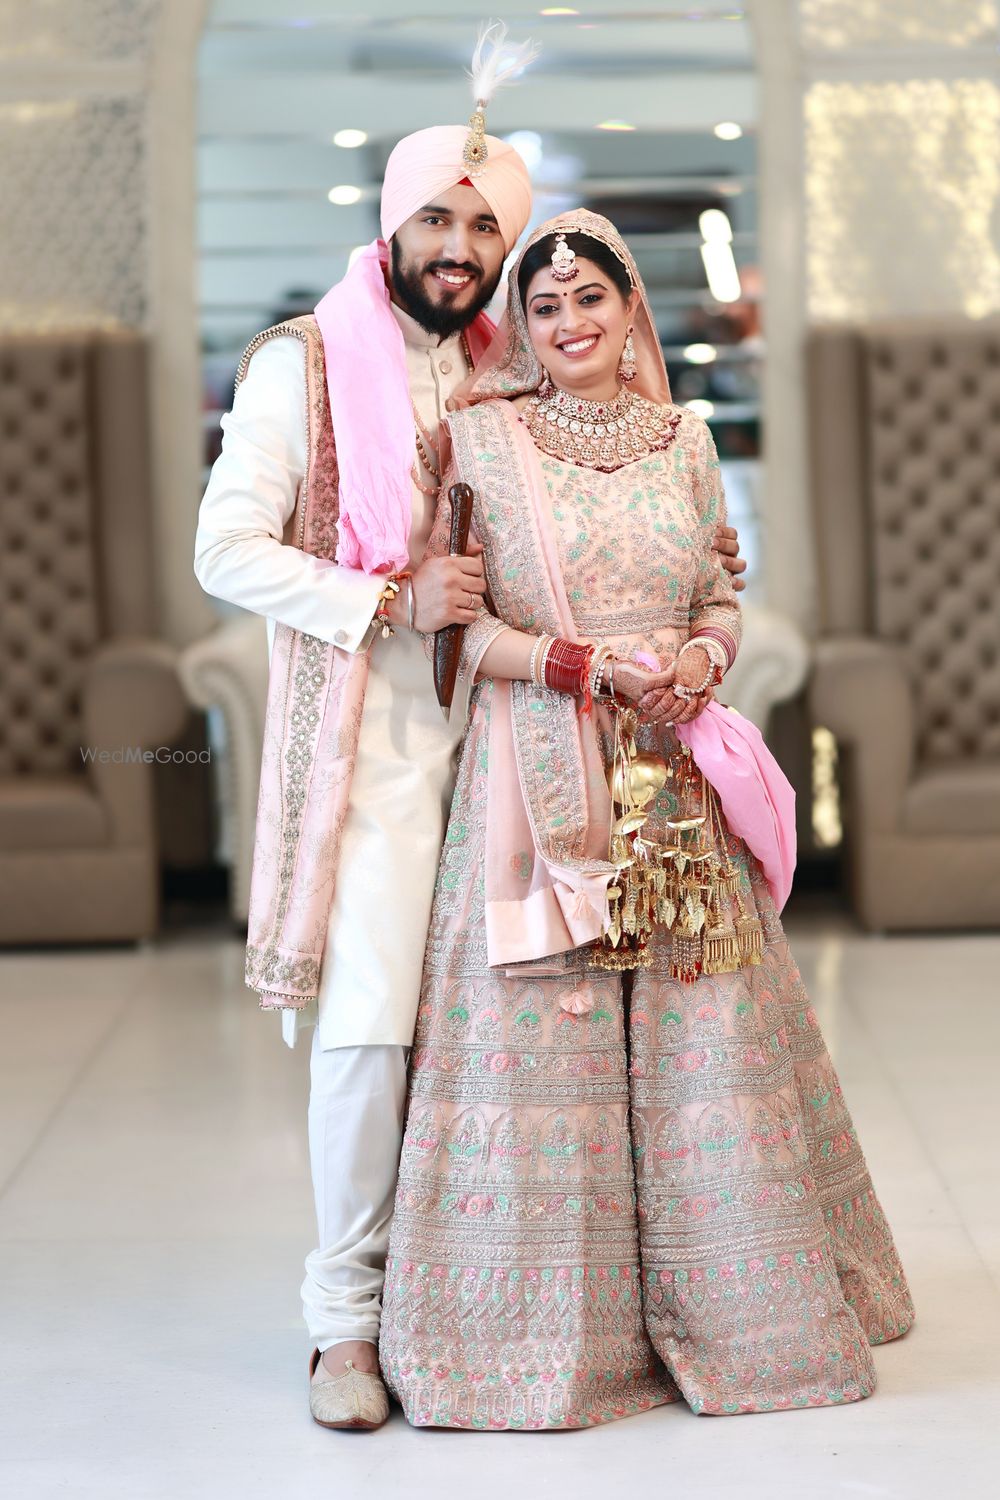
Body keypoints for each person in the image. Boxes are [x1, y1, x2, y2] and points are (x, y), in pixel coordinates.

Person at [194, 40, 752, 1430]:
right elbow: (226, 551)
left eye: (482, 226)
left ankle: (504, 1302)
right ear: (389, 226)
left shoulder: (504, 370)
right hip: (388, 754)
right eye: (435, 220)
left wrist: (692, 545)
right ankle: (343, 1326)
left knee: (517, 1038)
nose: (459, 248)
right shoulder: (306, 367)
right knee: (375, 1032)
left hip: (518, 742)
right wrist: (387, 598)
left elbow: (605, 497)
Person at [379, 210, 915, 1430]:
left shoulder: (684, 438)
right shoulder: (477, 441)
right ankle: (550, 1341)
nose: (568, 323)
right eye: (545, 304)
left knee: (700, 1039)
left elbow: (720, 588)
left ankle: (739, 1315)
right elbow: (457, 632)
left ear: (631, 316)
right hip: (537, 781)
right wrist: (585, 667)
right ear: (519, 324)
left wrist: (702, 657)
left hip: (672, 780)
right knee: (546, 1045)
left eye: (591, 300)